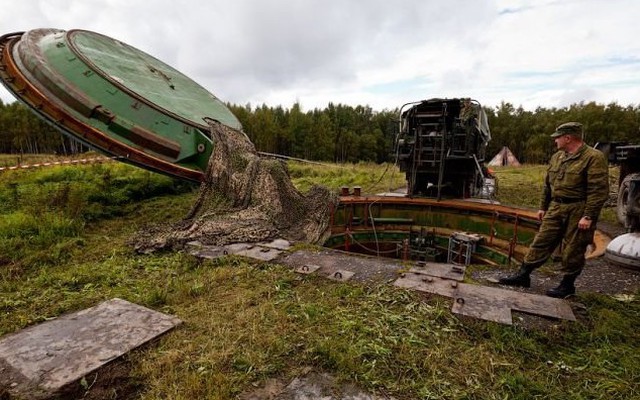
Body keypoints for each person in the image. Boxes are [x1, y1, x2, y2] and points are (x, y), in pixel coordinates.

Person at [498, 122, 609, 298]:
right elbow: (547, 185)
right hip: (556, 207)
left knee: (574, 248)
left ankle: (567, 286)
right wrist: (543, 206)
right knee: (541, 240)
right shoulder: (557, 157)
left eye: (558, 137)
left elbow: (598, 191)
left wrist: (588, 216)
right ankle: (523, 275)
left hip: (578, 208)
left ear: (568, 138)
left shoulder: (593, 157)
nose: (555, 140)